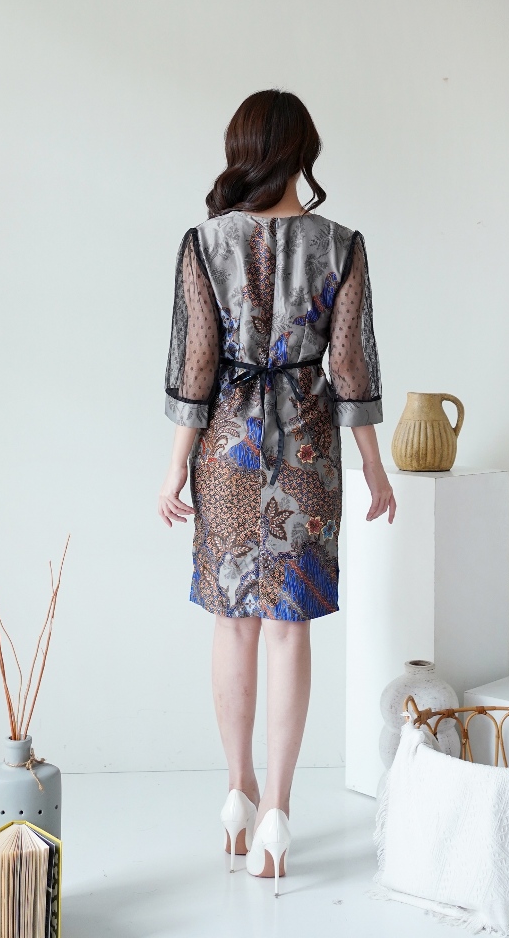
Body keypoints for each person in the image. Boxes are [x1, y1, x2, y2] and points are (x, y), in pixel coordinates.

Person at [157, 89, 395, 894]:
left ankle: (237, 791)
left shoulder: (205, 244)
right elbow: (350, 365)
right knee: (289, 630)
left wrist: (174, 466)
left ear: (243, 151)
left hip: (226, 447)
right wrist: (373, 465)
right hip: (307, 448)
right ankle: (278, 815)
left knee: (233, 624)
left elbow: (196, 365)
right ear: (304, 152)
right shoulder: (341, 245)